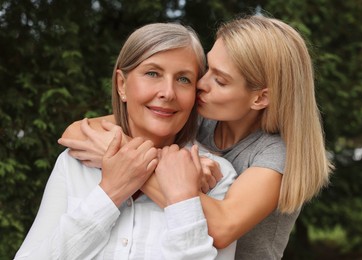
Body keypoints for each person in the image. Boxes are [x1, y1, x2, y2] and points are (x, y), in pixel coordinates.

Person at [59, 14, 333, 259]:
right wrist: (174, 166)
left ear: (261, 97)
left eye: (220, 80)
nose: (201, 84)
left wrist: (155, 169)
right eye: (207, 69)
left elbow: (222, 228)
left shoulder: (274, 154)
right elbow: (79, 133)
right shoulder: (201, 120)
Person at [14, 22, 238, 260]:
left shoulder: (215, 175)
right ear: (122, 85)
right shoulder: (76, 163)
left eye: (183, 79)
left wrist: (183, 200)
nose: (168, 92)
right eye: (153, 73)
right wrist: (110, 192)